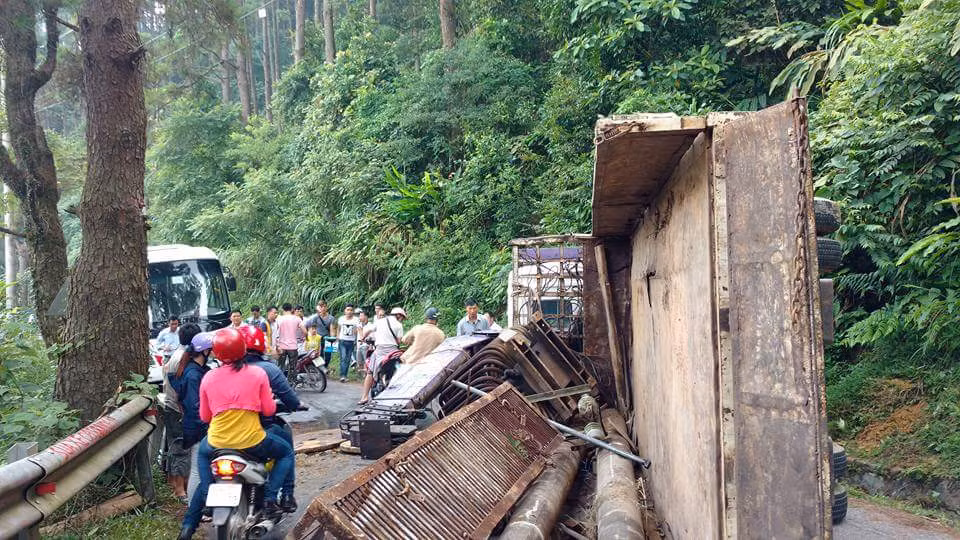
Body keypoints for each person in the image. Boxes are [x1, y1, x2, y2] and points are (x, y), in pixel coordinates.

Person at [178, 328, 295, 540]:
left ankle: (199, 510)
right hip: (251, 440)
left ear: (216, 352)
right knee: (286, 452)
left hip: (216, 441)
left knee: (203, 457)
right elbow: (269, 410)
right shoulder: (258, 374)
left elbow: (205, 416)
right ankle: (270, 499)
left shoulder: (209, 377)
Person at [238, 325, 300, 512]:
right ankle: (282, 496)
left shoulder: (223, 371)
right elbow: (285, 401)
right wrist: (294, 405)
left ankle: (202, 504)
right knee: (286, 449)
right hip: (257, 430)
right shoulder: (268, 370)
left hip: (222, 433)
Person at [168, 331, 215, 505]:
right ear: (205, 351)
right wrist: (206, 425)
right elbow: (194, 406)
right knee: (197, 469)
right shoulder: (193, 375)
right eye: (211, 349)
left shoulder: (197, 371)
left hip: (199, 426)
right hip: (197, 428)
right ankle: (194, 506)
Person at [161, 323, 202, 502]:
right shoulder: (183, 359)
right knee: (182, 448)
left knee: (176, 446)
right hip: (178, 410)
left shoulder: (178, 354)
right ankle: (180, 490)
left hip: (172, 407)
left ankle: (174, 483)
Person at [360, 307, 405, 403]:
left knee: (370, 372)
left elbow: (368, 331)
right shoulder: (399, 325)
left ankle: (364, 397)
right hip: (393, 352)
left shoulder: (380, 322)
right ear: (398, 315)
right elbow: (398, 341)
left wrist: (363, 338)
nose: (402, 320)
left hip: (380, 351)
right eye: (402, 318)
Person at [275, 303, 306, 378]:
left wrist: (276, 344)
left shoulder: (279, 319)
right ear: (292, 309)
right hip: (293, 347)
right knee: (293, 367)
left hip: (282, 347)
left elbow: (275, 332)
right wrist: (305, 338)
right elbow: (305, 332)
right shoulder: (297, 319)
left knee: (280, 366)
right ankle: (291, 382)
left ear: (282, 309)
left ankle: (281, 381)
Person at [305, 301, 335, 366]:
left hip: (327, 339)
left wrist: (332, 339)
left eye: (324, 306)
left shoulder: (331, 318)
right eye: (321, 307)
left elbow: (332, 330)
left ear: (327, 307)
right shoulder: (315, 317)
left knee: (328, 355)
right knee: (319, 355)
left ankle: (325, 366)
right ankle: (320, 369)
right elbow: (312, 328)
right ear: (319, 308)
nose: (323, 308)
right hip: (317, 339)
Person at [336, 304, 360, 382]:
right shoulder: (341, 319)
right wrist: (337, 337)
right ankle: (342, 376)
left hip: (351, 341)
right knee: (343, 358)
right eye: (348, 310)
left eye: (351, 310)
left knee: (348, 359)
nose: (349, 311)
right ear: (345, 311)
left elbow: (358, 330)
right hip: (342, 341)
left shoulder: (356, 320)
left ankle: (345, 375)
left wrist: (357, 339)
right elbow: (338, 328)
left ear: (353, 311)